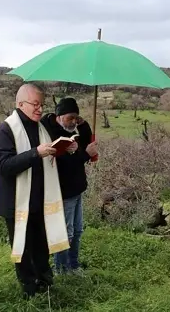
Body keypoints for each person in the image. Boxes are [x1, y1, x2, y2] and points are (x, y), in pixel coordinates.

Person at [0, 83, 70, 297]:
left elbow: (47, 156)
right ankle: (29, 290)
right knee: (24, 250)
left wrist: (63, 149)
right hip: (16, 203)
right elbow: (5, 167)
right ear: (20, 103)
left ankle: (46, 283)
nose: (39, 109)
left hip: (40, 201)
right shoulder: (5, 130)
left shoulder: (41, 128)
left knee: (41, 247)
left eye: (42, 105)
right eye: (35, 104)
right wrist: (36, 153)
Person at [40, 97, 97, 275]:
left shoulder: (73, 129)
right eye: (69, 118)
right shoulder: (48, 132)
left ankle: (73, 265)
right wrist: (84, 155)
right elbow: (64, 163)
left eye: (76, 118)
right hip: (62, 190)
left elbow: (86, 142)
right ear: (59, 116)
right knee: (65, 232)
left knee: (78, 230)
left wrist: (84, 123)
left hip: (77, 188)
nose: (73, 122)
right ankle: (61, 269)